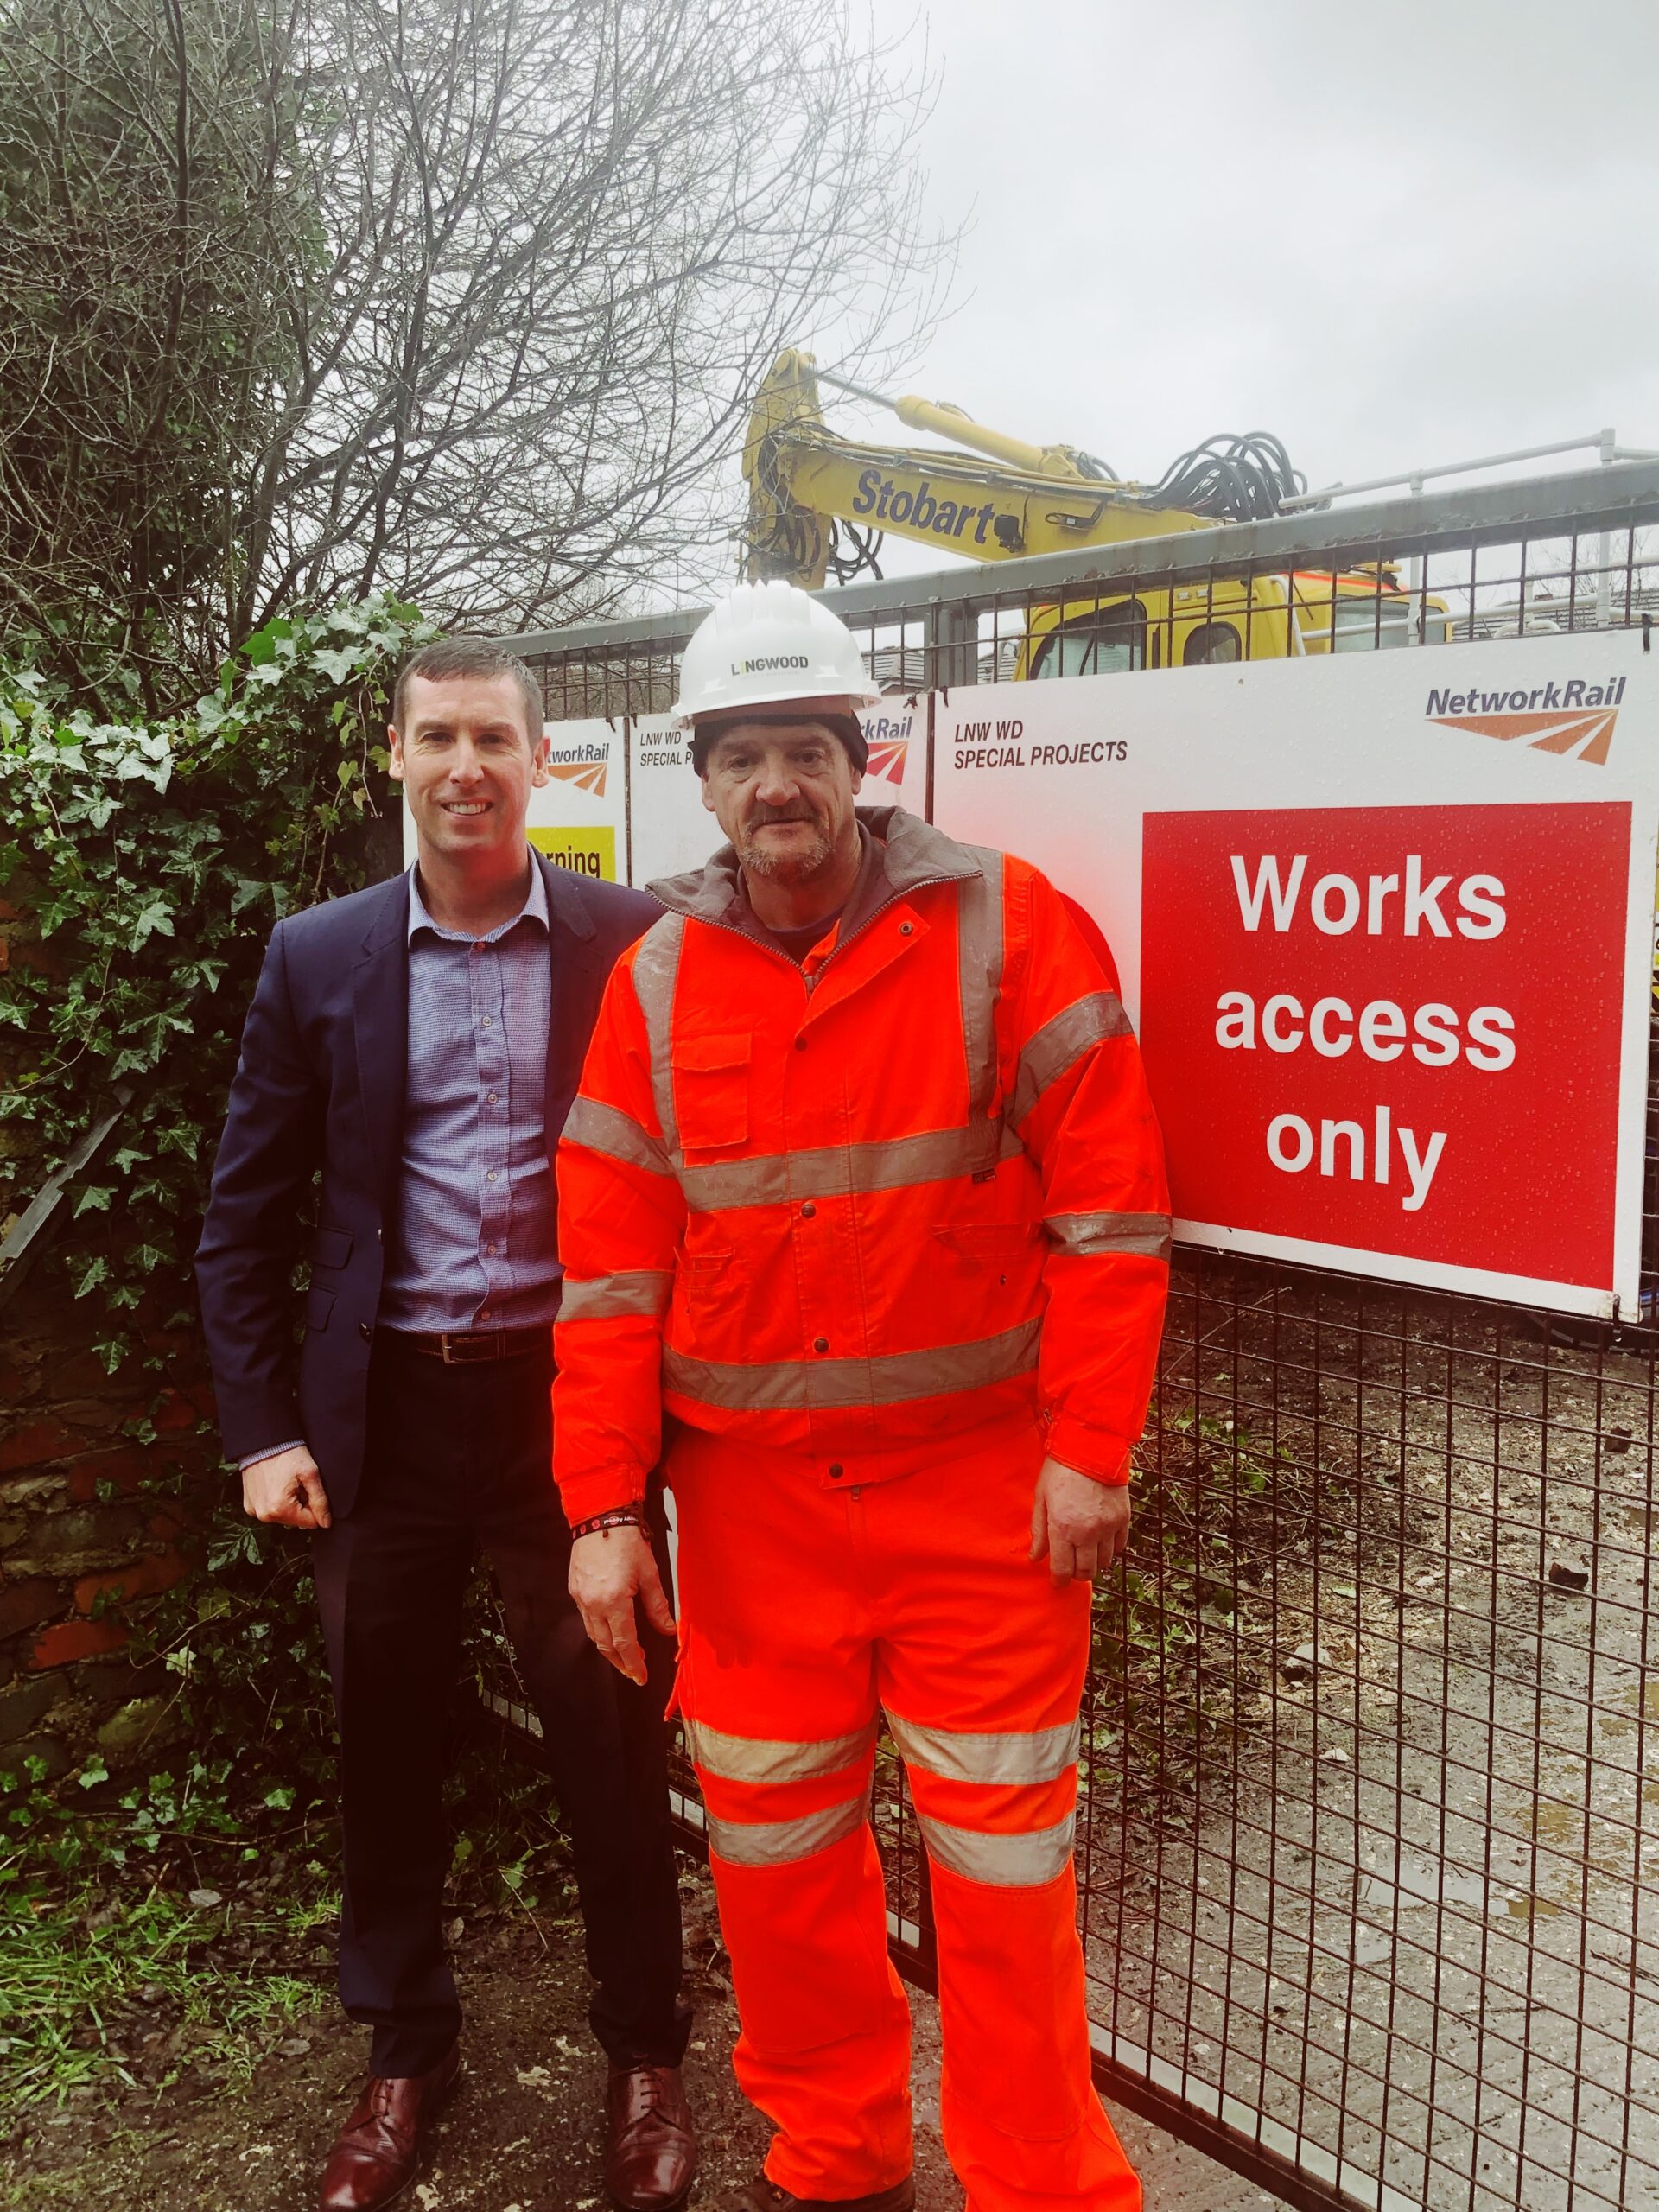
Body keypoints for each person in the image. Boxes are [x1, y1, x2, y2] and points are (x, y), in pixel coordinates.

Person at [552, 581, 1171, 2212]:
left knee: (1005, 1875)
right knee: (772, 1868)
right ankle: (834, 2162)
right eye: (745, 754)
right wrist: (605, 1511)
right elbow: (608, 1279)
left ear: (861, 755)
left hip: (982, 1503)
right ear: (703, 776)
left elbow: (1107, 1215)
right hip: (751, 1523)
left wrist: (1091, 1448)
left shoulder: (1013, 926)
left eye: (805, 749)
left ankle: (1040, 2182)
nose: (778, 786)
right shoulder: (658, 985)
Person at [195, 639, 697, 2212]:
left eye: (494, 737)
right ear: (394, 761)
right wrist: (265, 1428)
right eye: (438, 738)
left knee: (612, 1742)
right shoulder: (317, 957)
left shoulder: (633, 944)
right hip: (384, 1422)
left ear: (543, 761)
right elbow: (243, 1217)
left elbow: (694, 1194)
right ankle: (405, 2052)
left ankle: (645, 2055)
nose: (466, 765)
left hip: (577, 1415)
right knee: (386, 1741)